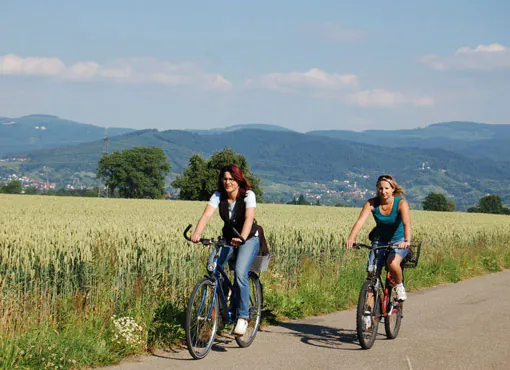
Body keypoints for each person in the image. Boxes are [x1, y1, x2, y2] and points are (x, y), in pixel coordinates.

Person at [191, 164, 260, 335]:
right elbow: (207, 215)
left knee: (239, 272)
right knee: (212, 266)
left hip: (249, 238)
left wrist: (242, 237)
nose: (228, 182)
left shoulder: (248, 195)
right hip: (228, 239)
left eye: (231, 179)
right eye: (225, 179)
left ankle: (243, 317)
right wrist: (197, 233)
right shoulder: (218, 195)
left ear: (238, 180)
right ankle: (222, 307)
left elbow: (249, 218)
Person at [346, 174, 411, 301]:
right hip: (379, 239)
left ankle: (399, 286)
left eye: (387, 188)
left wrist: (407, 241)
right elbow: (360, 222)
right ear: (377, 189)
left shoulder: (401, 203)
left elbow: (406, 223)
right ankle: (368, 315)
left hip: (398, 240)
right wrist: (351, 238)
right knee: (372, 274)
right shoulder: (371, 203)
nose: (383, 191)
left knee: (392, 263)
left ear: (393, 189)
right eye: (381, 188)